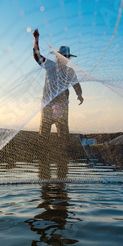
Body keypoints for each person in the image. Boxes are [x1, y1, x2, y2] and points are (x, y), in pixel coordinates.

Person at [33, 29, 84, 162]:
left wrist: (80, 95)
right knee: (44, 134)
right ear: (58, 57)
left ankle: (61, 160)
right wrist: (36, 40)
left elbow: (76, 85)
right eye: (63, 57)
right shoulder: (50, 65)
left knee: (62, 136)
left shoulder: (69, 71)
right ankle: (44, 161)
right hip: (48, 106)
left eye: (65, 58)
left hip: (61, 107)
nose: (64, 60)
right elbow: (37, 56)